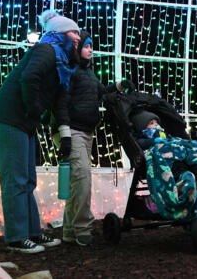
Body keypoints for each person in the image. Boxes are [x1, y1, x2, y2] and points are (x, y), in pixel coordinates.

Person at [0, 9, 80, 254]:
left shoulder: (63, 64)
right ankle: (17, 238)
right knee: (16, 179)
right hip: (10, 117)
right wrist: (35, 109)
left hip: (24, 120)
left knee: (27, 179)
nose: (78, 37)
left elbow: (60, 102)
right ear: (59, 34)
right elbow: (29, 78)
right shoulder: (46, 50)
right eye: (73, 32)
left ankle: (32, 233)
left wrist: (64, 134)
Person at [51, 30, 128, 246]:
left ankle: (69, 230)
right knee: (83, 179)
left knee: (78, 182)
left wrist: (120, 86)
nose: (90, 50)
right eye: (86, 46)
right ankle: (83, 228)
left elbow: (101, 93)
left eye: (91, 46)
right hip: (71, 131)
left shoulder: (88, 72)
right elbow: (61, 102)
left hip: (86, 132)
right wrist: (64, 132)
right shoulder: (69, 70)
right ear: (76, 48)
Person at [130, 109, 197, 221]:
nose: (156, 125)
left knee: (190, 152)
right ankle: (182, 180)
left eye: (156, 122)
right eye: (151, 123)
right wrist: (154, 141)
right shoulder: (142, 137)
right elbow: (141, 144)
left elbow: (171, 140)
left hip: (176, 155)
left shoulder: (163, 133)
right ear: (143, 127)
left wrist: (176, 142)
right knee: (176, 159)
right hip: (165, 159)